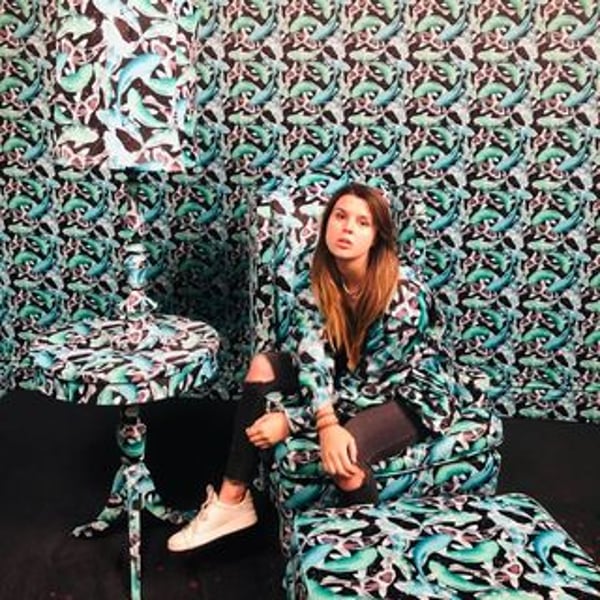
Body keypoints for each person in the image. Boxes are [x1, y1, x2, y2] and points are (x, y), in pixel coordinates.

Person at [167, 182, 464, 553]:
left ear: (377, 238)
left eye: (362, 223)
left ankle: (371, 555)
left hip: (408, 390)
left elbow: (373, 387)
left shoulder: (401, 296)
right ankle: (232, 501)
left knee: (343, 458)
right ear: (327, 223)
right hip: (349, 372)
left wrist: (295, 421)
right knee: (263, 365)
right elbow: (312, 355)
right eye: (340, 216)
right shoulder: (319, 276)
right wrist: (323, 418)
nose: (347, 228)